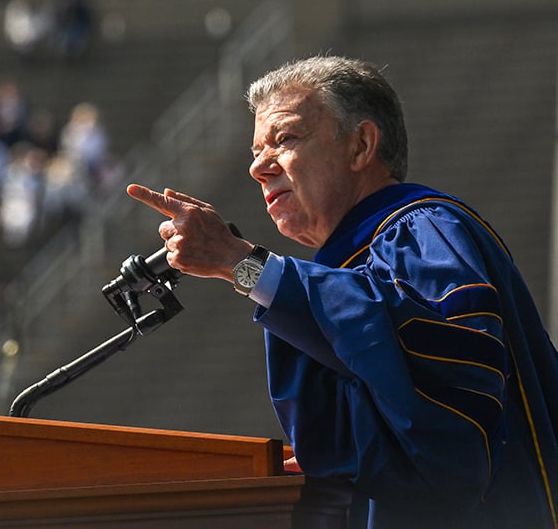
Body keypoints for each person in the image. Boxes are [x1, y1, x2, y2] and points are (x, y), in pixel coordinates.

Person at [126, 55, 558, 528]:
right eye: (255, 151)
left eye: (284, 139)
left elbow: (446, 395)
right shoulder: (341, 268)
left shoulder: (421, 228)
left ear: (361, 145)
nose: (258, 168)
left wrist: (243, 265)